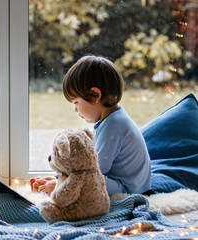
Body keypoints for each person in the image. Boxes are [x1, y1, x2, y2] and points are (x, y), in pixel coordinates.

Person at [30, 55, 151, 196]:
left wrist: (61, 184)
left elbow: (95, 169)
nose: (75, 109)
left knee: (87, 180)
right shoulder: (113, 118)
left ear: (95, 95)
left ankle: (61, 187)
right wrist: (58, 177)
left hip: (128, 189)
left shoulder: (113, 125)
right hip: (131, 184)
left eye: (76, 102)